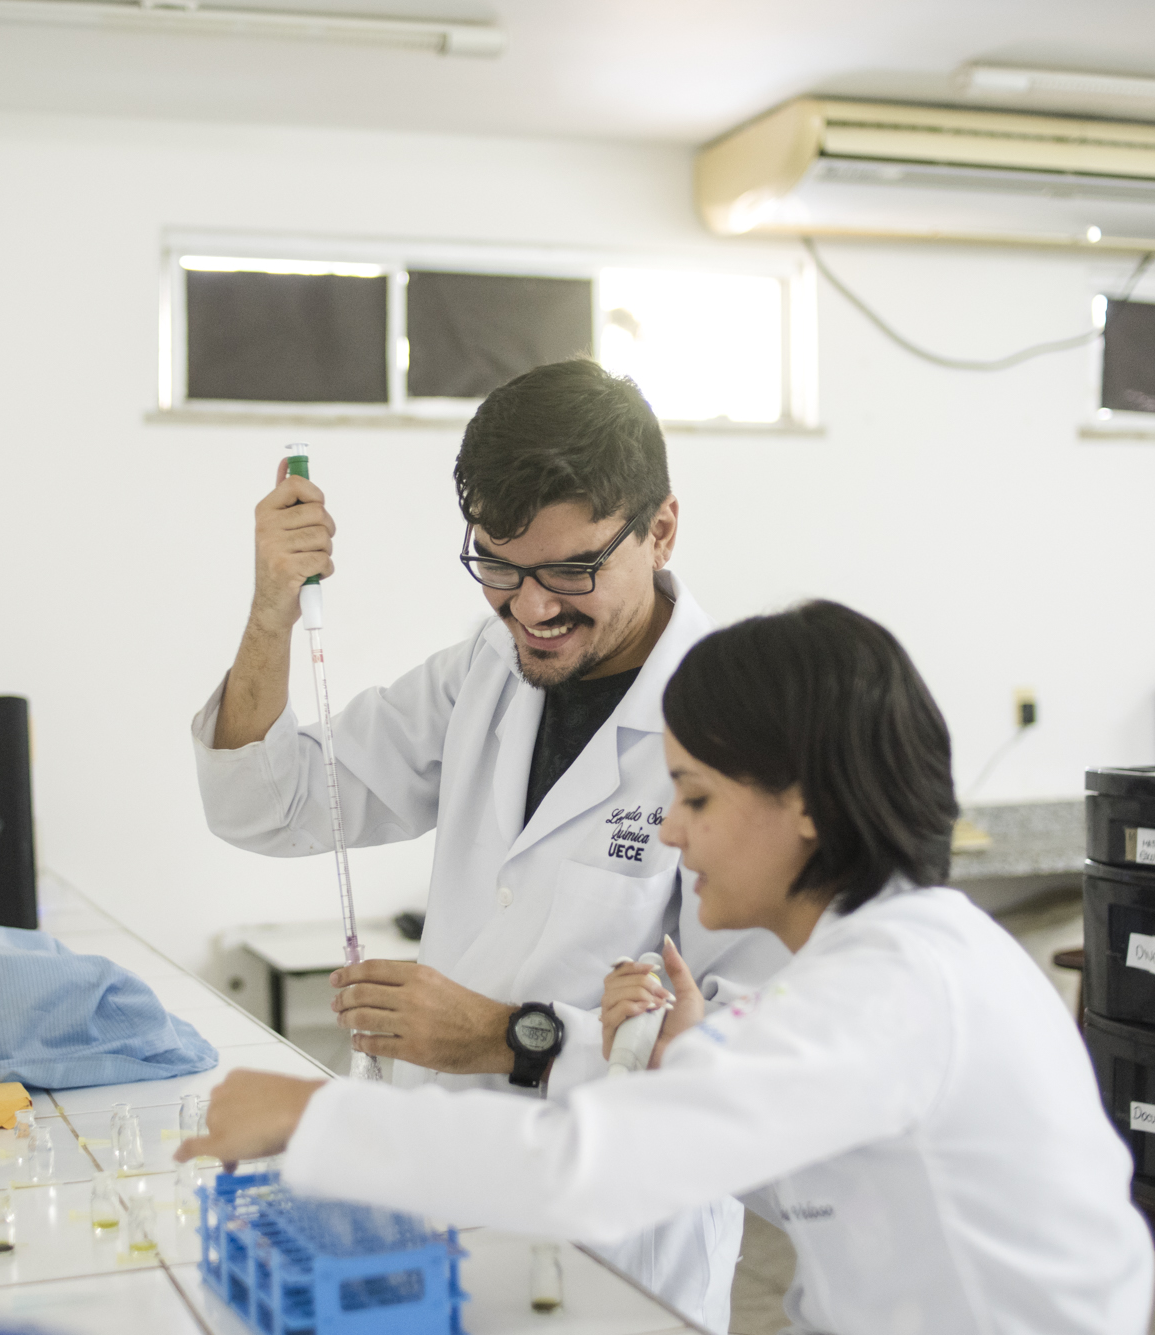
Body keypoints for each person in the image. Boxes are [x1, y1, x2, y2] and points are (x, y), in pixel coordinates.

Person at [182, 601, 1155, 1335]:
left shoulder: (894, 990)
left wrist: (316, 1115)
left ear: (804, 804)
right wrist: (674, 1058)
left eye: (693, 796)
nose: (672, 833)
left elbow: (586, 1169)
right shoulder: (877, 963)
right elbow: (797, 1162)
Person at [191, 358, 788, 1331]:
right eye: (498, 567)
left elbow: (743, 1060)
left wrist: (508, 1036)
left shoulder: (740, 732)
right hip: (435, 1220)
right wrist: (272, 612)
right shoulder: (488, 667)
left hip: (613, 1257)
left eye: (571, 571)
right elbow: (271, 802)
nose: (531, 610)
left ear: (661, 530)